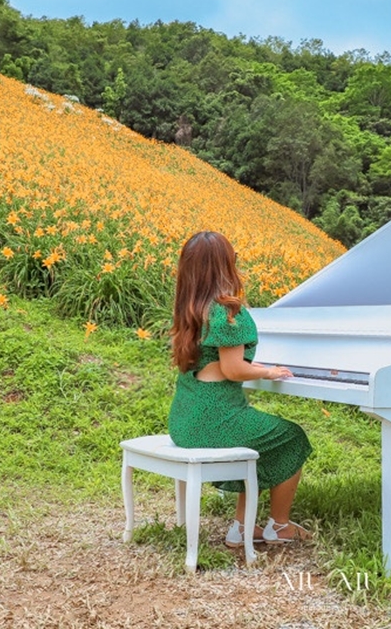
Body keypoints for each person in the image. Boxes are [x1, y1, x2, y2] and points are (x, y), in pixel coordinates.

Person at [167, 230, 313, 546]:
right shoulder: (228, 311)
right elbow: (233, 370)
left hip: (185, 421)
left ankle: (242, 528)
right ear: (227, 265)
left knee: (260, 441)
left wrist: (257, 367)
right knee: (291, 438)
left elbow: (219, 364)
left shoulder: (190, 310)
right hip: (215, 421)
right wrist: (269, 371)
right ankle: (280, 526)